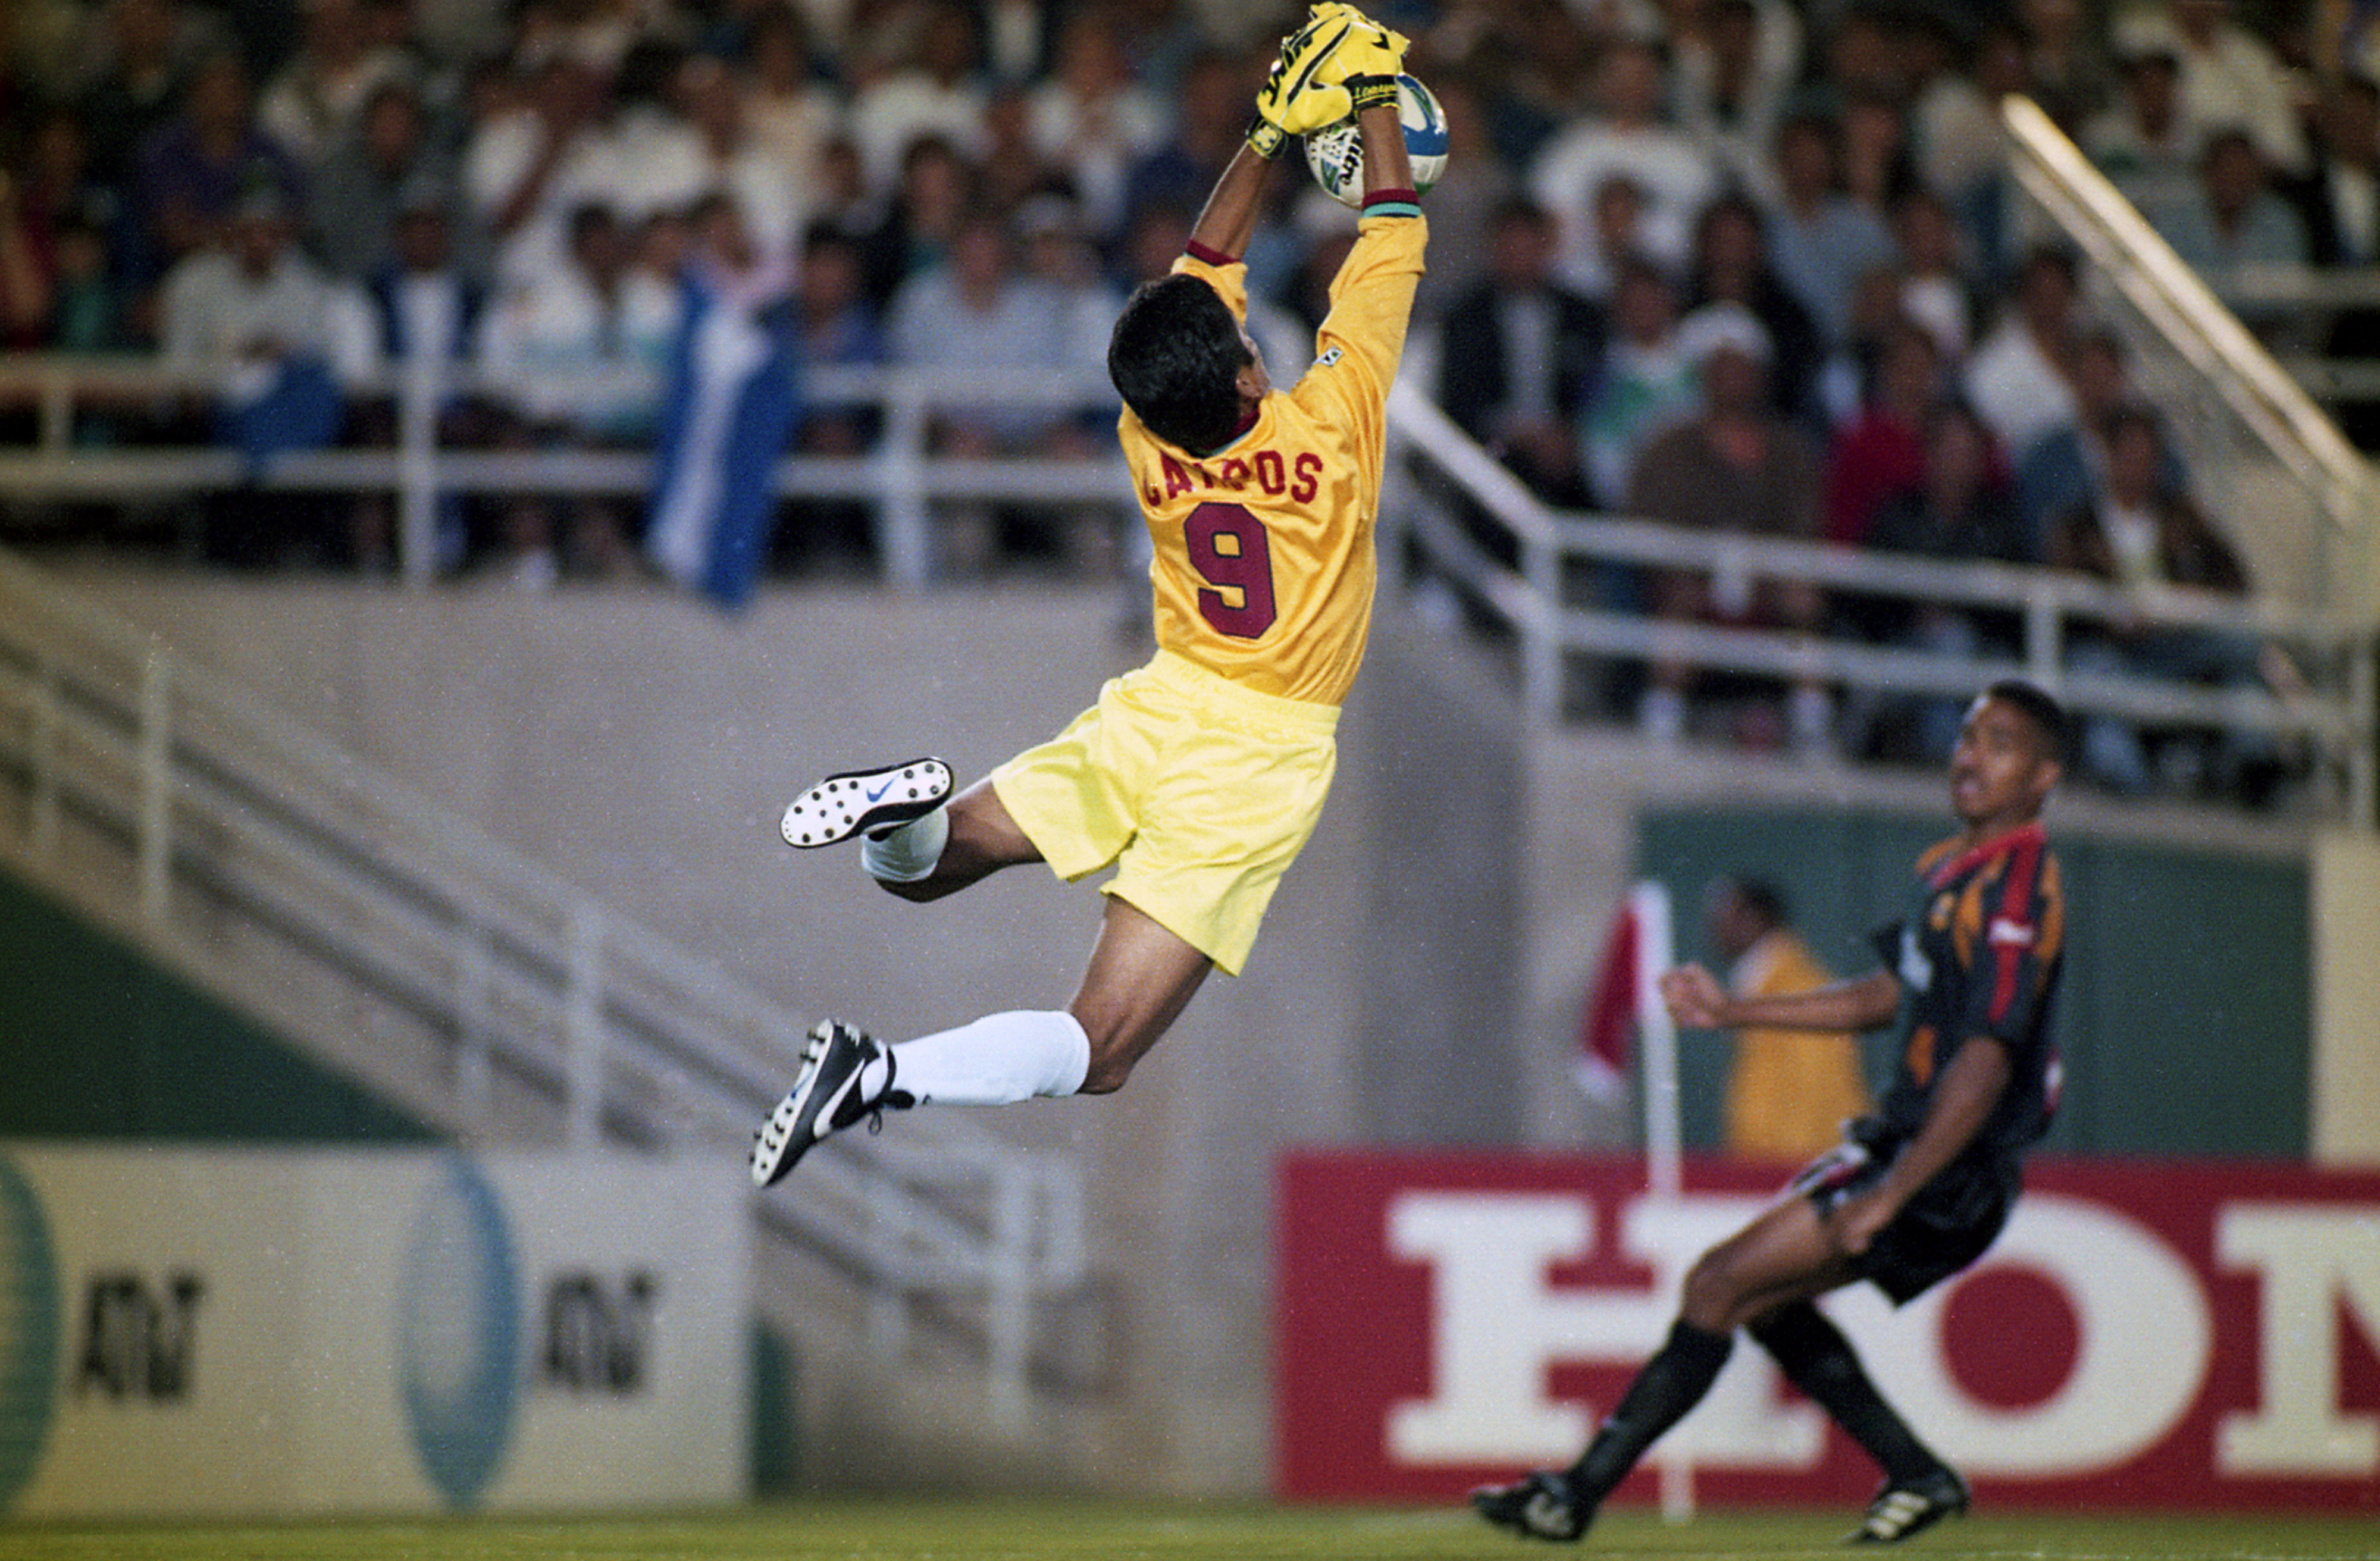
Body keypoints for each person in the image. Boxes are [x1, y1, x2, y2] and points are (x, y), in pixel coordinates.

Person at [749, 4, 1426, 1186]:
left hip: (1159, 705)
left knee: (923, 864)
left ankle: (904, 809)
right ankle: (875, 1073)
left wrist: (1266, 136)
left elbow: (1200, 269)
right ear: (1251, 369)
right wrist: (1373, 95)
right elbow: (1393, 223)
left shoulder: (1142, 434)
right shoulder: (1334, 431)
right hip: (1254, 758)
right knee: (1101, 1046)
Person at [1473, 679, 2072, 1547]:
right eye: (1970, 736)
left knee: (1720, 1284)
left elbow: (1985, 1061)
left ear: (2044, 776)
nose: (1972, 755)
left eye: (2003, 743)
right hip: (1919, 1151)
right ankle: (1912, 1474)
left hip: (1948, 1165)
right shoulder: (1950, 871)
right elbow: (1884, 996)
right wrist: (1734, 1011)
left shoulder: (2019, 890)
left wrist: (1895, 1192)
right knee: (1753, 1299)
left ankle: (1573, 1498)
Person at [1702, 875, 1870, 1162]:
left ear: (1753, 919)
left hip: (1789, 1166)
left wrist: (1785, 1174)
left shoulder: (1798, 989)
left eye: (1725, 914)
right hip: (1766, 1161)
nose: (1714, 927)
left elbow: (1813, 1093)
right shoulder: (1764, 983)